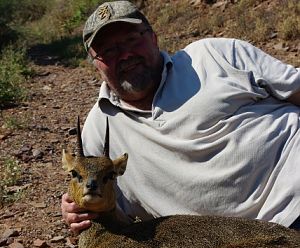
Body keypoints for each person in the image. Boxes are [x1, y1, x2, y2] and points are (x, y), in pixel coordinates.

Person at [61, 0, 300, 234]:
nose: (125, 55)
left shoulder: (215, 55)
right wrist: (77, 209)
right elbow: (108, 208)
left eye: (132, 40)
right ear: (96, 64)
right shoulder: (96, 131)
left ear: (154, 38)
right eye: (109, 51)